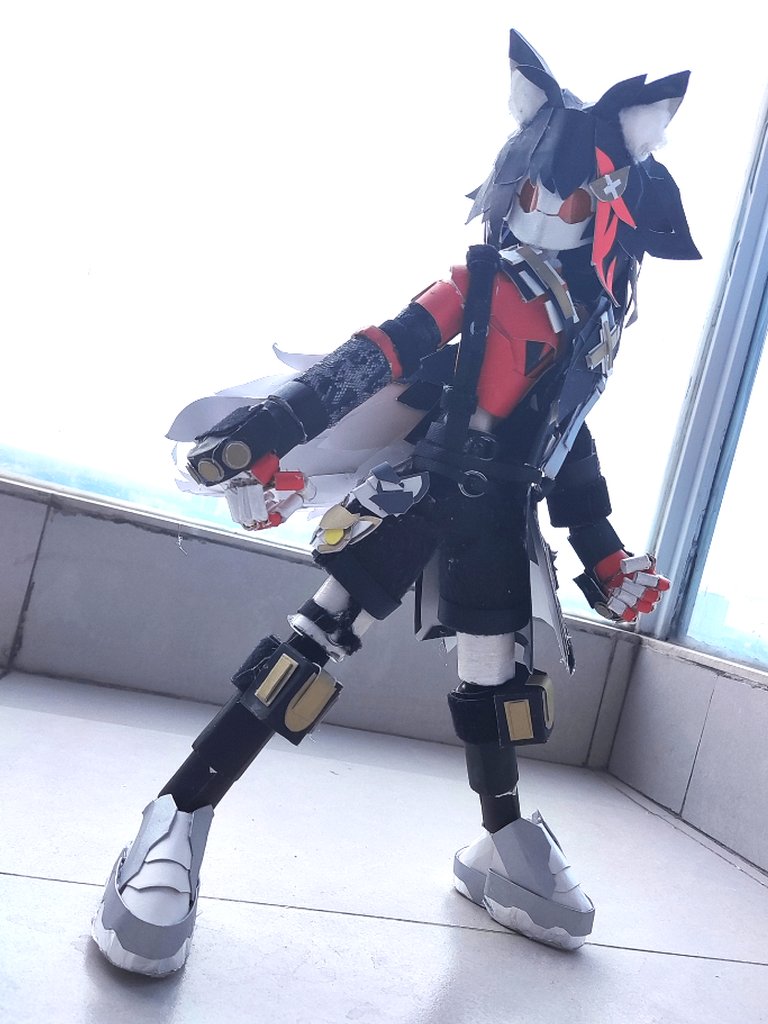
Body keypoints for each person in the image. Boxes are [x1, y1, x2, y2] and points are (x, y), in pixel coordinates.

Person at [92, 28, 699, 975]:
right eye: (534, 191)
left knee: (497, 687)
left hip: (501, 519)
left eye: (572, 197)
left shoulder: (594, 326)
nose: (547, 210)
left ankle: (499, 840)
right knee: (306, 652)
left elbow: (568, 446)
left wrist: (605, 553)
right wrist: (273, 427)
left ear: (611, 206)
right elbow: (380, 351)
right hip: (422, 495)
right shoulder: (481, 285)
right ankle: (178, 813)